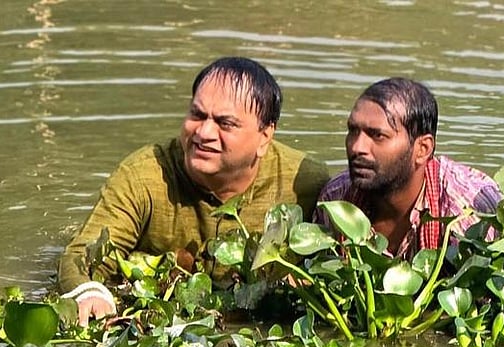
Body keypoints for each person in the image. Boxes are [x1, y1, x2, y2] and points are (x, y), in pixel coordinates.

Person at [57, 57, 330, 324]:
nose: (204, 132)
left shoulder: (306, 183)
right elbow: (81, 256)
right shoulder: (144, 175)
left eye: (225, 123)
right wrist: (91, 293)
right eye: (197, 115)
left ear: (265, 137)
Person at [313, 78, 502, 259]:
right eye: (353, 131)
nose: (356, 147)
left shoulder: (468, 209)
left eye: (378, 135)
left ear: (422, 149)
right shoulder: (335, 198)